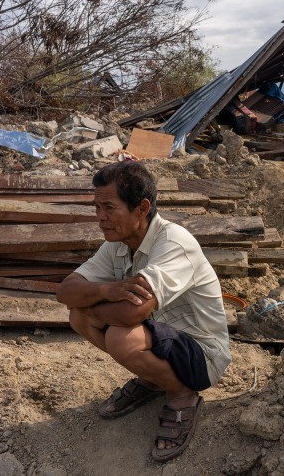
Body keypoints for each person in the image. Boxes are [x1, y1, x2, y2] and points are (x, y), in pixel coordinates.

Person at [56, 161, 231, 462]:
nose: (100, 218)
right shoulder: (118, 244)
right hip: (162, 339)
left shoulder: (174, 243)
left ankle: (180, 395)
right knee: (78, 316)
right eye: (97, 207)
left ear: (141, 207)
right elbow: (65, 291)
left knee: (122, 337)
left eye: (109, 207)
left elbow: (129, 315)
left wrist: (92, 302)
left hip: (202, 356)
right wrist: (105, 290)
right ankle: (153, 379)